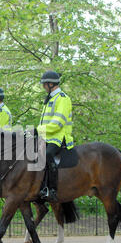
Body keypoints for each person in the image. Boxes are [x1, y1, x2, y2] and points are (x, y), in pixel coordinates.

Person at [37, 71, 74, 202]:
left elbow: (57, 123)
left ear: (50, 84)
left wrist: (38, 131)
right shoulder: (50, 99)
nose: (43, 87)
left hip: (59, 137)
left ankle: (52, 190)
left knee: (47, 155)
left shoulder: (63, 98)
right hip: (46, 136)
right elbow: (44, 122)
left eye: (44, 84)